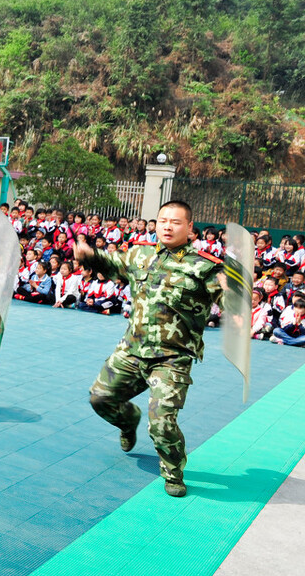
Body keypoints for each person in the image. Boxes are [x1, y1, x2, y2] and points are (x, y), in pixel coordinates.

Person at [77, 200, 224, 498]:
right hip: (132, 350)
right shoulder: (139, 254)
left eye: (176, 222)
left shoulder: (205, 267)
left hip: (172, 359)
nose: (167, 226)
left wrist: (235, 292)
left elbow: (232, 302)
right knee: (100, 399)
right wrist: (89, 254)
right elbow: (110, 262)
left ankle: (172, 471)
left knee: (161, 423)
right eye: (162, 221)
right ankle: (127, 421)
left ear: (190, 228)